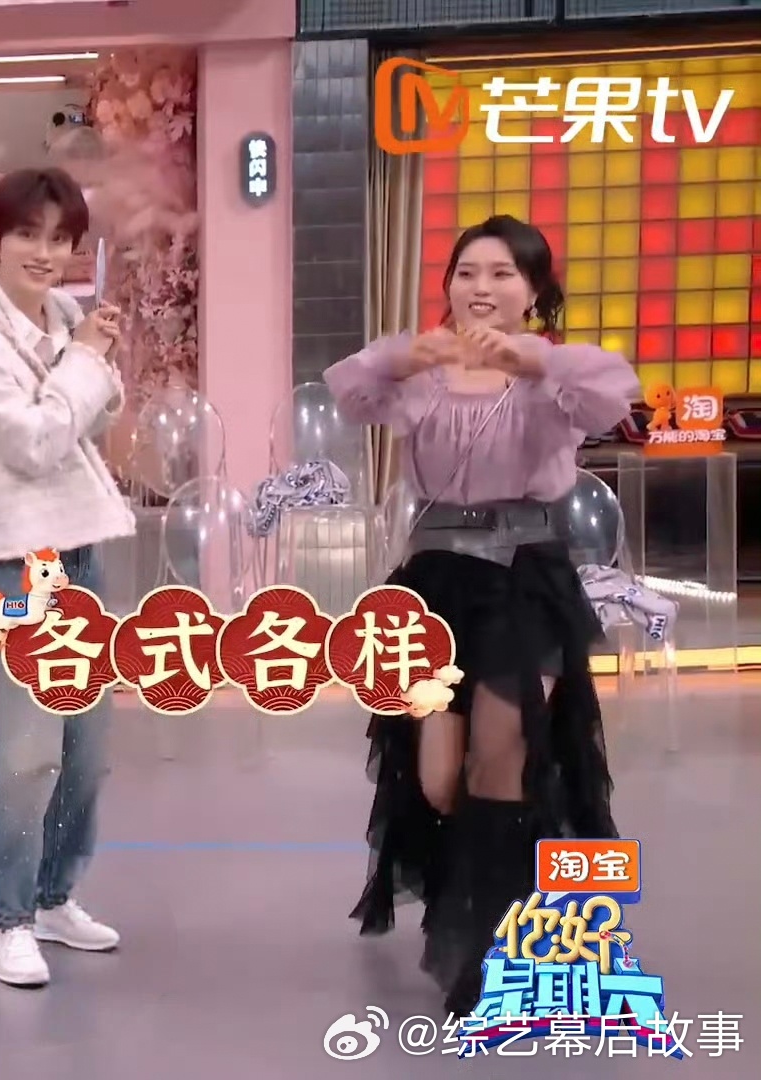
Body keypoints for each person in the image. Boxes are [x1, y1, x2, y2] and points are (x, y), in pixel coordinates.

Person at [327, 214, 638, 1017]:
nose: (481, 288)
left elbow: (613, 389)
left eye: (502, 274)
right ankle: (482, 894)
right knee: (439, 781)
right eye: (467, 272)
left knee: (499, 762)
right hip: (435, 584)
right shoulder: (422, 376)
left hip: (524, 580)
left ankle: (489, 946)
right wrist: (410, 353)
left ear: (533, 291)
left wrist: (531, 359)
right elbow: (349, 389)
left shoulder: (554, 376)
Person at [0, 168, 133, 988]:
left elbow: (102, 412)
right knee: (22, 752)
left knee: (86, 750)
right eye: (28, 235)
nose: (45, 253)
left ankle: (53, 895)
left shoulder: (65, 317)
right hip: (14, 559)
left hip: (81, 547)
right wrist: (83, 364)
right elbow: (36, 441)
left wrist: (89, 357)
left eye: (60, 238)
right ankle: (9, 917)